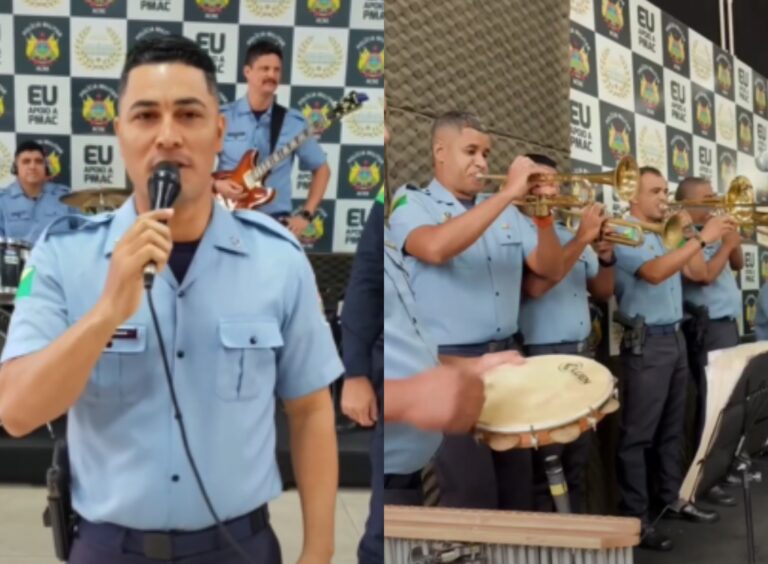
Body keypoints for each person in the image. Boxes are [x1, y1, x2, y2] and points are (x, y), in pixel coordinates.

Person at [0, 35, 341, 564]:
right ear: (120, 132)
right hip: (108, 548)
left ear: (219, 132)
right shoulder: (63, 256)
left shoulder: (279, 259)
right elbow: (16, 413)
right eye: (145, 116)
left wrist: (319, 550)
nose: (167, 136)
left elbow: (311, 409)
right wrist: (107, 311)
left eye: (188, 114)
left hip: (239, 548)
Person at [388, 111, 564, 511]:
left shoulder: (502, 209)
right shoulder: (411, 201)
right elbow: (435, 248)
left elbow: (551, 269)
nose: (482, 163)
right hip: (451, 365)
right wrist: (508, 194)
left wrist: (543, 218)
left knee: (518, 490)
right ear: (440, 152)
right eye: (470, 151)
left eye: (486, 153)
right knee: (471, 493)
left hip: (507, 358)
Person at [613, 166, 732, 551]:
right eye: (655, 192)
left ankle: (670, 498)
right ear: (632, 196)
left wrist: (692, 233)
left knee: (672, 429)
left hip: (676, 337)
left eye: (665, 191)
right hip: (647, 342)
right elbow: (653, 273)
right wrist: (702, 240)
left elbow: (697, 272)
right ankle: (636, 517)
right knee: (638, 436)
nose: (664, 198)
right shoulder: (623, 231)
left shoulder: (666, 231)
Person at [518, 153, 615, 513]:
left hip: (582, 353)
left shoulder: (568, 232)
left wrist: (606, 256)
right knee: (548, 460)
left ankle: (577, 531)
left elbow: (603, 290)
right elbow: (537, 286)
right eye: (539, 181)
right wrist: (583, 238)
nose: (549, 188)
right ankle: (549, 535)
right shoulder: (517, 229)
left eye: (553, 181)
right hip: (542, 355)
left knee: (578, 456)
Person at [214, 40, 330, 235]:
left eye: (277, 70)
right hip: (227, 218)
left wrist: (306, 215)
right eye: (265, 69)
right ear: (247, 72)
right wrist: (216, 184)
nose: (272, 75)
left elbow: (322, 170)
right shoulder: (222, 117)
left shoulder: (293, 122)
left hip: (274, 223)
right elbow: (194, 163)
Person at [675, 176, 743, 507]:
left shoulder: (714, 231)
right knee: (710, 404)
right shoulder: (685, 235)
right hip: (707, 326)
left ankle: (720, 468)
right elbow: (702, 277)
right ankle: (704, 479)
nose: (715, 201)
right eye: (707, 197)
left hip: (727, 324)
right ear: (687, 203)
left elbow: (738, 264)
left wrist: (733, 241)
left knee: (727, 403)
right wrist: (724, 244)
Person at [0, 140, 75, 246]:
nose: (32, 166)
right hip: (18, 257)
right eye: (26, 161)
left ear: (46, 167)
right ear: (15, 167)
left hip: (58, 256)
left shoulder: (66, 198)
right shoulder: (2, 202)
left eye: (38, 161)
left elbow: (85, 235)